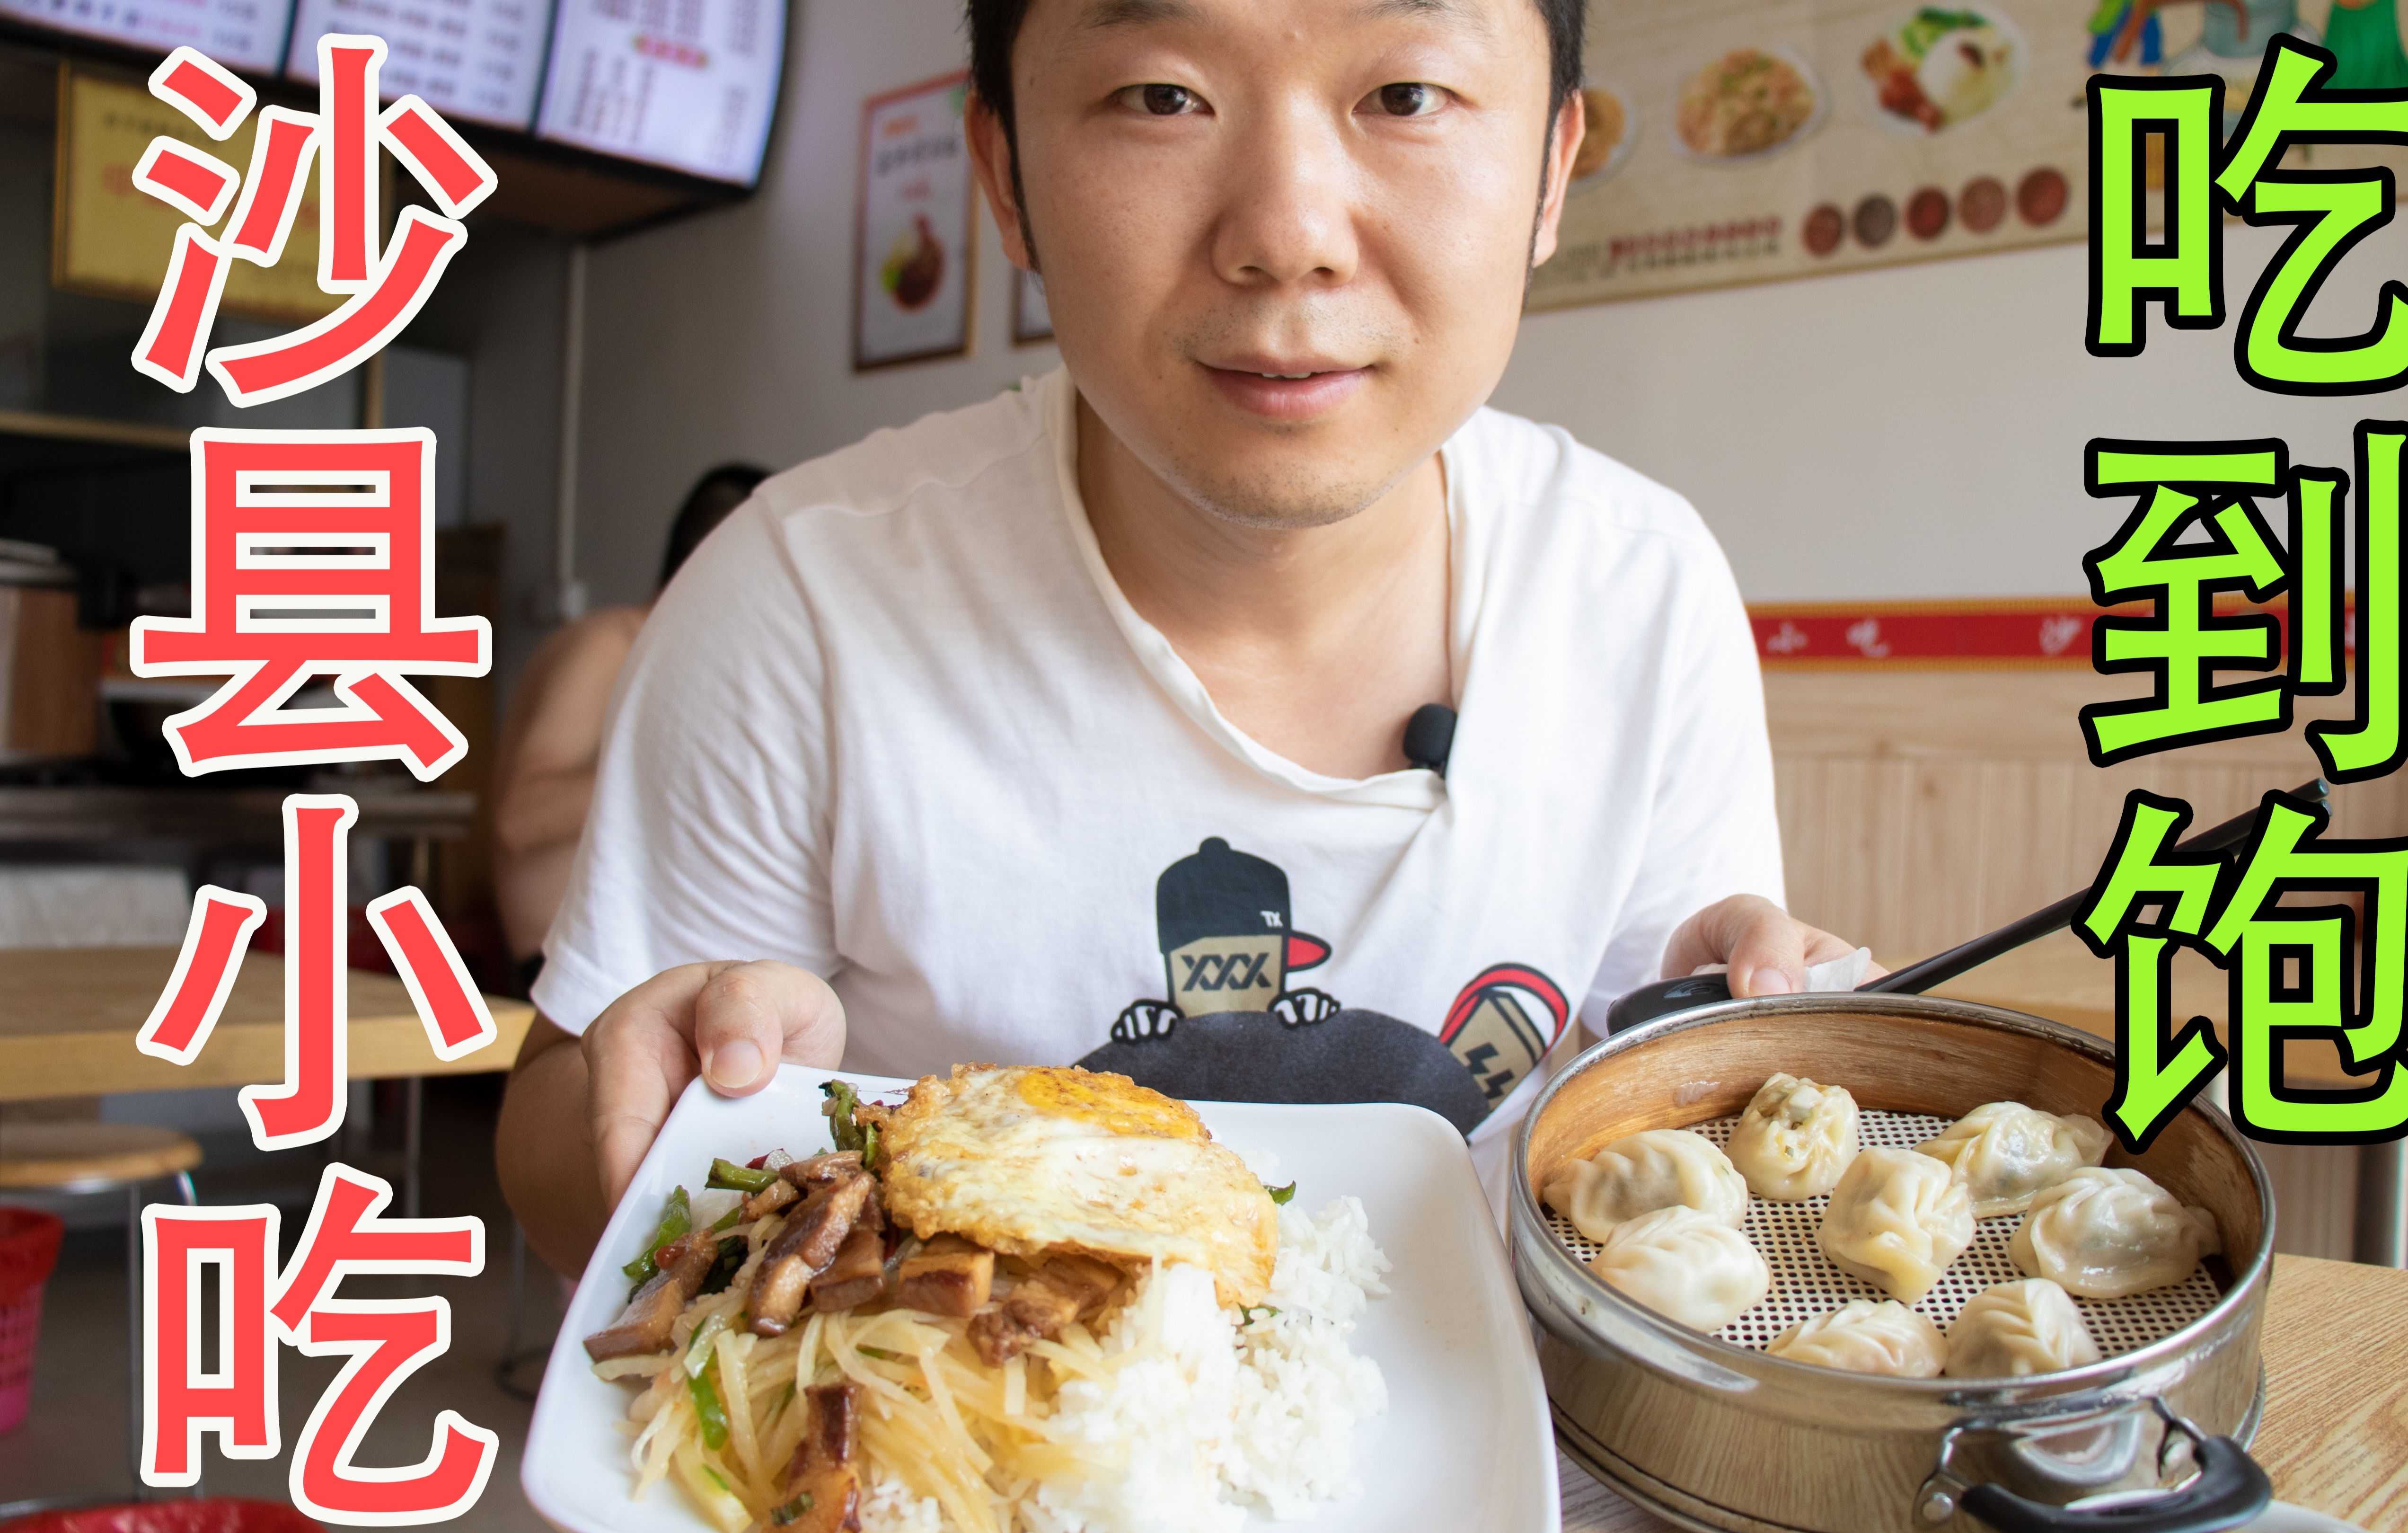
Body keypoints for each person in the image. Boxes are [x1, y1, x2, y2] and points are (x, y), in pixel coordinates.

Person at [498, 0, 1874, 1274]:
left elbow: (1661, 1132)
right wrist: (663, 1095)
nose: (1289, 232)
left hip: (1537, 1514)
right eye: (1162, 97)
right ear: (1006, 177)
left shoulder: (1640, 587)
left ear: (1552, 170)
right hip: (963, 1496)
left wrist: (1740, 1038)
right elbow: (556, 1157)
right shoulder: (797, 602)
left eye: (1405, 92)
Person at [489, 464, 769, 975]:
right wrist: (694, 763)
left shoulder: (673, 655)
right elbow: (521, 817)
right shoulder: (610, 644)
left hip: (616, 965)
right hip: (557, 974)